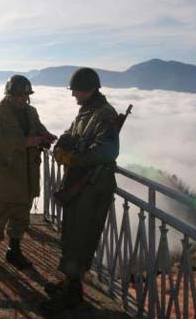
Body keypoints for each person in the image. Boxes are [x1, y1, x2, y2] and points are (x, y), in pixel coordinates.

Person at [42, 67, 120, 313]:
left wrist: (73, 159)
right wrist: (63, 145)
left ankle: (72, 294)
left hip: (93, 187)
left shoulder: (104, 114)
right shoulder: (87, 112)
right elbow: (71, 135)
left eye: (76, 90)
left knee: (81, 239)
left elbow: (108, 151)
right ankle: (70, 284)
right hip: (81, 185)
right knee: (71, 235)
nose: (73, 94)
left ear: (90, 89)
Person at [0, 75, 56, 275]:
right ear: (9, 94)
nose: (23, 99)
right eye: (19, 95)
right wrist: (25, 142)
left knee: (21, 218)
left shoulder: (31, 112)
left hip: (26, 177)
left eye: (25, 95)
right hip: (4, 177)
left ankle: (13, 251)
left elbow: (39, 129)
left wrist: (45, 136)